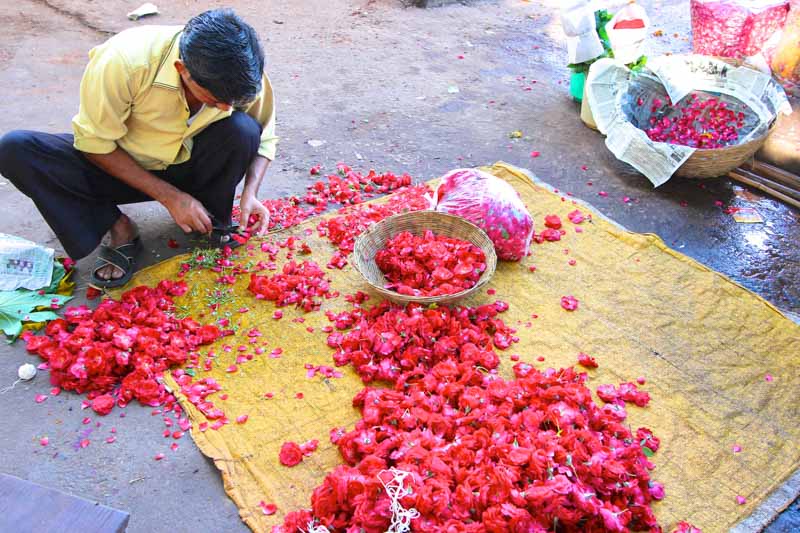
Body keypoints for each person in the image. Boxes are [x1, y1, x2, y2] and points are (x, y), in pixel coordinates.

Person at [0, 8, 277, 288]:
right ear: (182, 70)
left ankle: (211, 219)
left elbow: (264, 135)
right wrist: (171, 198)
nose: (226, 107)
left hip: (191, 164)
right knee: (15, 150)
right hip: (122, 167)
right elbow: (94, 144)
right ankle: (121, 229)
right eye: (215, 100)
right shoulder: (124, 61)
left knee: (242, 129)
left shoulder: (242, 75)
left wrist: (250, 193)